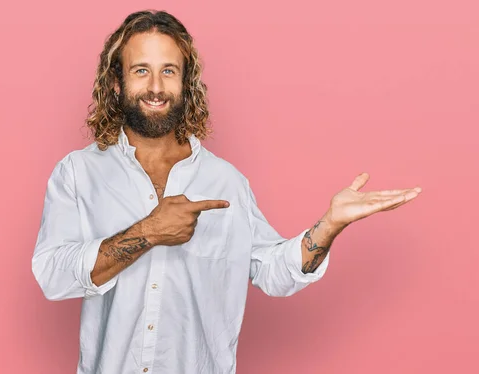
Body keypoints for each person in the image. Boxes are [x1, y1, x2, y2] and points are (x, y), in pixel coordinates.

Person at [31, 10, 422, 374]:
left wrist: (329, 225)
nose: (155, 87)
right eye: (140, 70)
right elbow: (52, 274)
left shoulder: (226, 181)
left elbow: (272, 270)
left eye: (168, 71)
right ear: (116, 82)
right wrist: (149, 231)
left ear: (185, 83)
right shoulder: (78, 174)